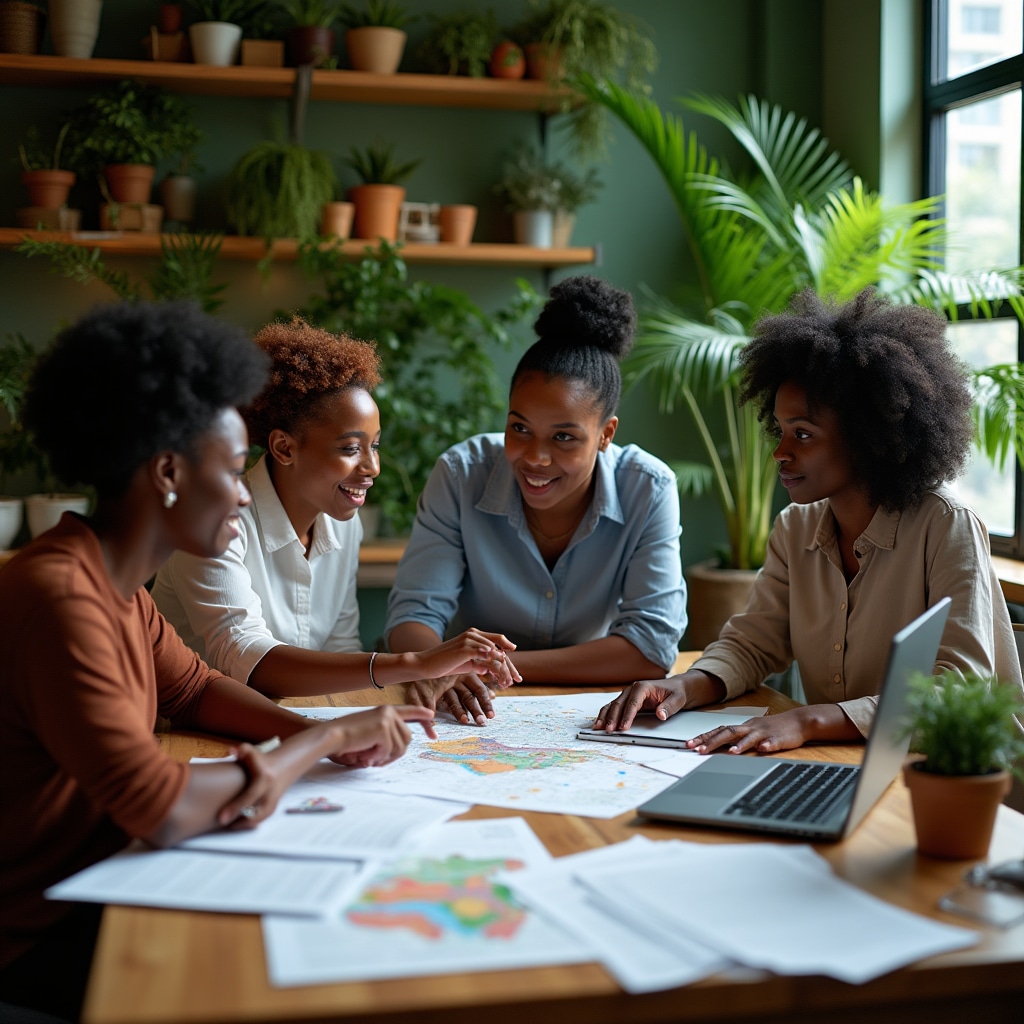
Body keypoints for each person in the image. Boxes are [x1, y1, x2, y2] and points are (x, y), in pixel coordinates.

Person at [0, 302, 436, 1023]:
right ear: (168, 472)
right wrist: (324, 739)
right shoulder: (61, 600)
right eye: (233, 470)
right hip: (38, 935)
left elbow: (199, 689)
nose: (242, 491)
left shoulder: (114, 586)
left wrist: (305, 733)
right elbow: (163, 808)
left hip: (106, 879)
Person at [594, 288, 1024, 752]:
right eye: (780, 431)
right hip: (843, 766)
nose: (780, 452)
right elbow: (752, 644)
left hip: (951, 779)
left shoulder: (946, 526)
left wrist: (810, 721)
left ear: (868, 438)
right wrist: (685, 686)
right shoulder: (794, 529)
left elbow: (960, 687)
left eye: (803, 434)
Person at [152, 318, 518, 704]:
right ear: (284, 449)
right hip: (186, 728)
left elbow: (341, 647)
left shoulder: (343, 524)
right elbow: (244, 659)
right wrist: (418, 664)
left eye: (374, 446)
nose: (372, 468)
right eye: (350, 449)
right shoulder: (212, 521)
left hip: (283, 721)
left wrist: (427, 678)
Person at [385, 275, 688, 724]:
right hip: (461, 708)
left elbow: (650, 649)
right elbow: (413, 616)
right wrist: (436, 664)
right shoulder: (460, 474)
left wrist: (482, 667)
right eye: (519, 428)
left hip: (568, 709)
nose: (534, 458)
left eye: (564, 437)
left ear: (606, 434)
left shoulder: (649, 488)